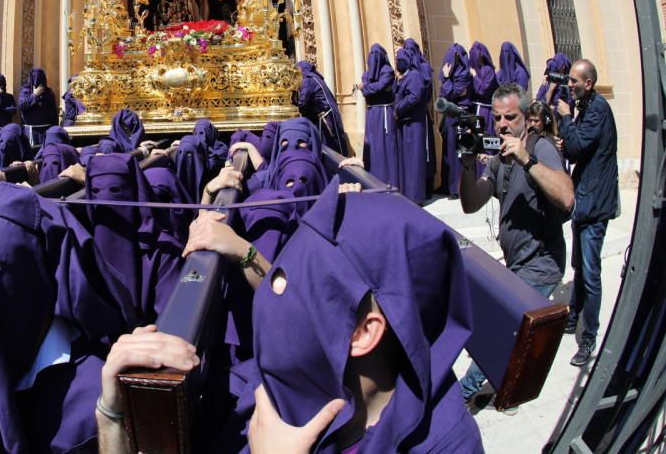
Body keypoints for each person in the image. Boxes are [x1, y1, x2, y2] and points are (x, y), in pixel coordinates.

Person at [98, 177, 483, 453]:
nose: (270, 294)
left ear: (364, 333)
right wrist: (114, 419)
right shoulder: (268, 386)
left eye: (288, 282)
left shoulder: (445, 443)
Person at [457, 82, 574, 399]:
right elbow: (472, 203)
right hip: (517, 263)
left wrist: (527, 159)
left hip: (542, 263)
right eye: (498, 119)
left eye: (510, 117)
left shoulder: (539, 148)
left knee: (502, 330)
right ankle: (505, 382)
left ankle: (462, 394)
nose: (503, 125)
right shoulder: (499, 158)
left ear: (527, 117)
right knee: (502, 329)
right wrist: (467, 165)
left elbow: (566, 198)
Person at [557, 59, 619, 366]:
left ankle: (589, 338)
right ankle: (573, 316)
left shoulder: (596, 109)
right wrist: (565, 136)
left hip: (596, 203)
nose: (569, 85)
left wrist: (567, 121)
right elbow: (573, 147)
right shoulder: (587, 108)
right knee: (580, 267)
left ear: (589, 83)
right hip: (585, 199)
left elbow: (579, 145)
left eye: (573, 81)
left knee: (591, 273)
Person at [357, 44, 398, 187]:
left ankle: (390, 181)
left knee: (386, 147)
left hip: (384, 113)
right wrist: (368, 88)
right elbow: (370, 90)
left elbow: (376, 88)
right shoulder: (367, 73)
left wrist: (365, 87)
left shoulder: (387, 71)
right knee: (373, 147)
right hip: (372, 113)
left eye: (376, 54)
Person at [393, 47, 430, 204]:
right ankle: (409, 194)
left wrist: (399, 109)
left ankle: (416, 196)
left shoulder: (414, 75)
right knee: (408, 160)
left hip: (413, 123)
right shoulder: (405, 76)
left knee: (414, 160)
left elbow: (414, 96)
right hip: (406, 122)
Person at [438, 43, 472, 198]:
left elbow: (452, 94)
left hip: (460, 117)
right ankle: (447, 184)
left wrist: (446, 78)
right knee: (447, 152)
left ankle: (456, 188)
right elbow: (445, 94)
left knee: (456, 154)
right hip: (450, 117)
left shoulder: (464, 74)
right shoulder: (454, 76)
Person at [295, 60, 347, 155]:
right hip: (327, 112)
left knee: (331, 143)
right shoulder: (315, 77)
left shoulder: (308, 80)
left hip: (326, 114)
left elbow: (303, 101)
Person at [19, 67, 59, 148]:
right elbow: (21, 106)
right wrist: (34, 95)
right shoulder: (25, 91)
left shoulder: (49, 93)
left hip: (46, 129)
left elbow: (54, 113)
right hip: (31, 131)